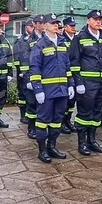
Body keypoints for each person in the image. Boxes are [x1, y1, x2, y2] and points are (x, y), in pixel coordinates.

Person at [29, 13, 75, 162]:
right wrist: (38, 89)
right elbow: (34, 68)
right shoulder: (39, 45)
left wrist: (71, 84)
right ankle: (42, 150)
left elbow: (67, 66)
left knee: (57, 121)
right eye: (53, 23)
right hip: (47, 91)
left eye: (57, 23)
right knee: (42, 121)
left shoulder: (62, 43)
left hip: (62, 90)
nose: (56, 25)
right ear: (45, 26)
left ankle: (52, 146)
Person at [67, 9, 102, 155]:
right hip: (87, 83)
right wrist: (78, 82)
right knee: (84, 113)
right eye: (95, 19)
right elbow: (74, 61)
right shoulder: (80, 37)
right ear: (88, 21)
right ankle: (82, 143)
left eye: (100, 20)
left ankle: (92, 140)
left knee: (97, 112)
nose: (98, 22)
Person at [12, 19, 36, 137]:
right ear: (26, 27)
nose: (32, 28)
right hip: (22, 72)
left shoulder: (35, 39)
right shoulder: (20, 40)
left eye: (33, 26)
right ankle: (23, 115)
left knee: (30, 95)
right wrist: (21, 70)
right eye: (31, 26)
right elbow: (17, 57)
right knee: (22, 94)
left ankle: (28, 114)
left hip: (31, 72)